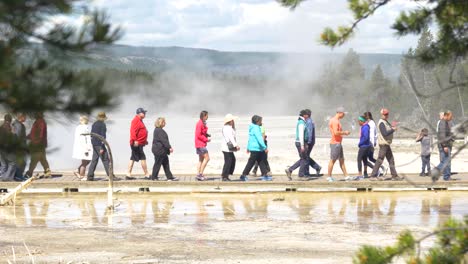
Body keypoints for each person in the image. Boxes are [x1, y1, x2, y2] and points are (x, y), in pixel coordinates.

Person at [369, 108, 403, 181]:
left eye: (387, 114)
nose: (386, 115)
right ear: (381, 114)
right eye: (385, 114)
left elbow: (388, 130)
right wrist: (393, 129)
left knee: (391, 159)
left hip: (386, 144)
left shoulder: (385, 121)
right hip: (383, 144)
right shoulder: (381, 123)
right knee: (380, 159)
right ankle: (373, 176)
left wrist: (393, 127)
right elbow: (385, 133)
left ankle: (394, 175)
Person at [240, 115, 271, 181]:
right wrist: (264, 147)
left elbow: (250, 139)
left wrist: (248, 147)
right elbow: (259, 138)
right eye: (260, 121)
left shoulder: (253, 127)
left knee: (261, 161)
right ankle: (243, 175)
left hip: (256, 148)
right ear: (257, 121)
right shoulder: (256, 128)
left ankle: (265, 175)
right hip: (255, 148)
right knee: (251, 162)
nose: (261, 122)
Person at [327, 107, 351, 182]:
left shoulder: (335, 120)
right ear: (340, 113)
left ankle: (346, 176)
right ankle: (329, 176)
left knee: (341, 160)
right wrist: (345, 133)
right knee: (332, 160)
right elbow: (336, 132)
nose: (344, 115)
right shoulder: (335, 121)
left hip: (338, 143)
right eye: (344, 114)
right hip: (335, 143)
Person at [285, 110, 310, 180]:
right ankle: (300, 175)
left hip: (301, 142)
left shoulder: (302, 122)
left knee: (303, 159)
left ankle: (290, 170)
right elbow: (301, 135)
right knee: (304, 159)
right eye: (307, 115)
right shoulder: (301, 123)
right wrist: (302, 145)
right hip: (300, 142)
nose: (308, 116)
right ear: (304, 115)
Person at [25, 112, 51, 178]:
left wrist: (37, 142)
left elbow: (41, 134)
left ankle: (29, 173)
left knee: (34, 159)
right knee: (42, 159)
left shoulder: (41, 122)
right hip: (39, 144)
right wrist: (26, 137)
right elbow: (33, 133)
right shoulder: (37, 122)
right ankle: (47, 172)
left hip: (38, 145)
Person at [127, 107, 149, 180]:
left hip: (139, 143)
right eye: (144, 113)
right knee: (142, 157)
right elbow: (133, 131)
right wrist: (135, 140)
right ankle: (146, 174)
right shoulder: (136, 120)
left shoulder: (140, 120)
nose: (145, 114)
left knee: (133, 158)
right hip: (136, 143)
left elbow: (141, 131)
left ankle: (128, 174)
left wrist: (145, 141)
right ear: (140, 113)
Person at [87, 112, 110, 181]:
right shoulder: (102, 125)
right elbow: (102, 137)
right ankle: (111, 175)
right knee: (105, 160)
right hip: (100, 145)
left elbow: (91, 135)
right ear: (103, 118)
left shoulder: (94, 124)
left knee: (94, 160)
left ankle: (90, 176)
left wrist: (93, 144)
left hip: (94, 145)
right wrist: (102, 147)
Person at [363, 111, 386, 176]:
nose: (364, 118)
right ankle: (382, 167)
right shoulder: (370, 123)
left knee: (365, 158)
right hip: (370, 143)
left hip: (370, 144)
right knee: (370, 158)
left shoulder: (371, 124)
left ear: (368, 116)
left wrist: (372, 144)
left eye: (365, 116)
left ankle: (377, 170)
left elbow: (372, 135)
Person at [434, 111, 454, 181]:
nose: (451, 118)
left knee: (446, 161)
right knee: (445, 161)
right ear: (446, 115)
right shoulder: (442, 123)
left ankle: (447, 176)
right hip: (444, 145)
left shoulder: (445, 122)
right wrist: (445, 145)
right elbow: (442, 135)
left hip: (446, 144)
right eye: (450, 116)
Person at [72, 115, 92, 180]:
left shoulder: (78, 127)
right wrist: (86, 149)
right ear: (85, 120)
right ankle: (82, 176)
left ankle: (77, 170)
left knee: (87, 161)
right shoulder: (84, 128)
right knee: (84, 163)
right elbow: (83, 139)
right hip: (84, 147)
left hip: (80, 147)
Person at [221, 114, 240, 181]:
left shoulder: (228, 127)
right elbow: (230, 137)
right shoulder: (227, 128)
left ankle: (226, 175)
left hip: (226, 148)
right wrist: (236, 145)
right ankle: (225, 176)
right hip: (226, 148)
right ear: (230, 121)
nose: (233, 121)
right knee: (229, 161)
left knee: (230, 160)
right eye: (232, 120)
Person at [195, 110, 210, 181]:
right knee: (207, 158)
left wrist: (206, 135)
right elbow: (198, 135)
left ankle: (198, 174)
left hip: (199, 144)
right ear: (204, 116)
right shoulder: (200, 123)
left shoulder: (202, 123)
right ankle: (200, 174)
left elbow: (201, 133)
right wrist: (206, 139)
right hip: (200, 144)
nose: (208, 117)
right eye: (207, 115)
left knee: (201, 160)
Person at [0, 114, 16, 181]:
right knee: (12, 163)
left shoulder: (1, 126)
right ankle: (6, 178)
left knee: (3, 165)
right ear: (10, 120)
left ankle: (1, 178)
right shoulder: (8, 127)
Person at [356, 116, 373, 180]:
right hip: (366, 146)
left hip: (364, 146)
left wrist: (360, 143)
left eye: (359, 121)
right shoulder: (365, 126)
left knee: (359, 159)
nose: (358, 122)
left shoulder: (365, 127)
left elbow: (365, 137)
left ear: (362, 121)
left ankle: (360, 174)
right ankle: (365, 173)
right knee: (364, 160)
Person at [12, 113, 28, 180]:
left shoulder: (15, 124)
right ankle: (18, 176)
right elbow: (17, 137)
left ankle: (17, 176)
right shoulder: (19, 125)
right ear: (21, 117)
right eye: (25, 117)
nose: (26, 118)